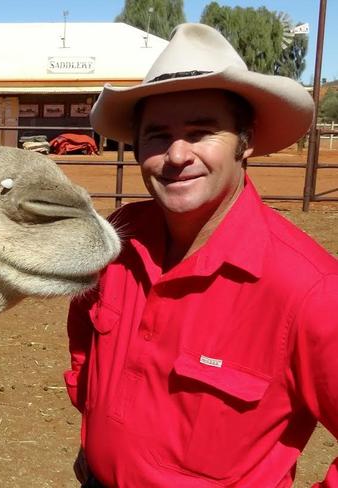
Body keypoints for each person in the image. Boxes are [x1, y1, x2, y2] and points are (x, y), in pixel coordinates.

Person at [65, 23, 338, 487]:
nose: (176, 155)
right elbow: (84, 355)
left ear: (245, 142)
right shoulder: (116, 241)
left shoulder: (309, 288)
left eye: (201, 131)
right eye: (156, 135)